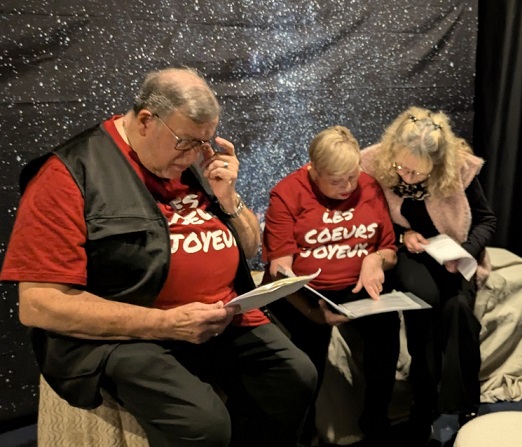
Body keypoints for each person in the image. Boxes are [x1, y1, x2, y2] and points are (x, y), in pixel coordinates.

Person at [0, 66, 318, 447]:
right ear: (146, 121)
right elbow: (38, 304)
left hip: (219, 316)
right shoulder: (68, 173)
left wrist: (228, 197)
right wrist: (167, 323)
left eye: (205, 142)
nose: (195, 155)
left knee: (296, 377)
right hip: (132, 331)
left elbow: (249, 248)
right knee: (203, 423)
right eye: (186, 142)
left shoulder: (191, 164)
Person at [361, 106, 497, 446]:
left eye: (418, 173)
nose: (407, 178)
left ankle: (463, 405)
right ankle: (423, 408)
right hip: (408, 252)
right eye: (402, 168)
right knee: (423, 306)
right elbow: (370, 221)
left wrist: (465, 249)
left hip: (453, 253)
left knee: (458, 311)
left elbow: (487, 221)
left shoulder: (459, 168)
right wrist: (402, 234)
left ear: (437, 165)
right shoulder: (374, 163)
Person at [262, 125, 400, 446]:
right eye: (337, 181)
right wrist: (312, 312)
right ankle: (303, 433)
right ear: (314, 171)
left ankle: (376, 421)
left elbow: (390, 250)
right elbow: (280, 270)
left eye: (352, 177)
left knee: (386, 332)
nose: (348, 187)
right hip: (305, 292)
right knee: (307, 357)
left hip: (357, 286)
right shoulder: (287, 193)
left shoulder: (369, 186)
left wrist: (376, 259)